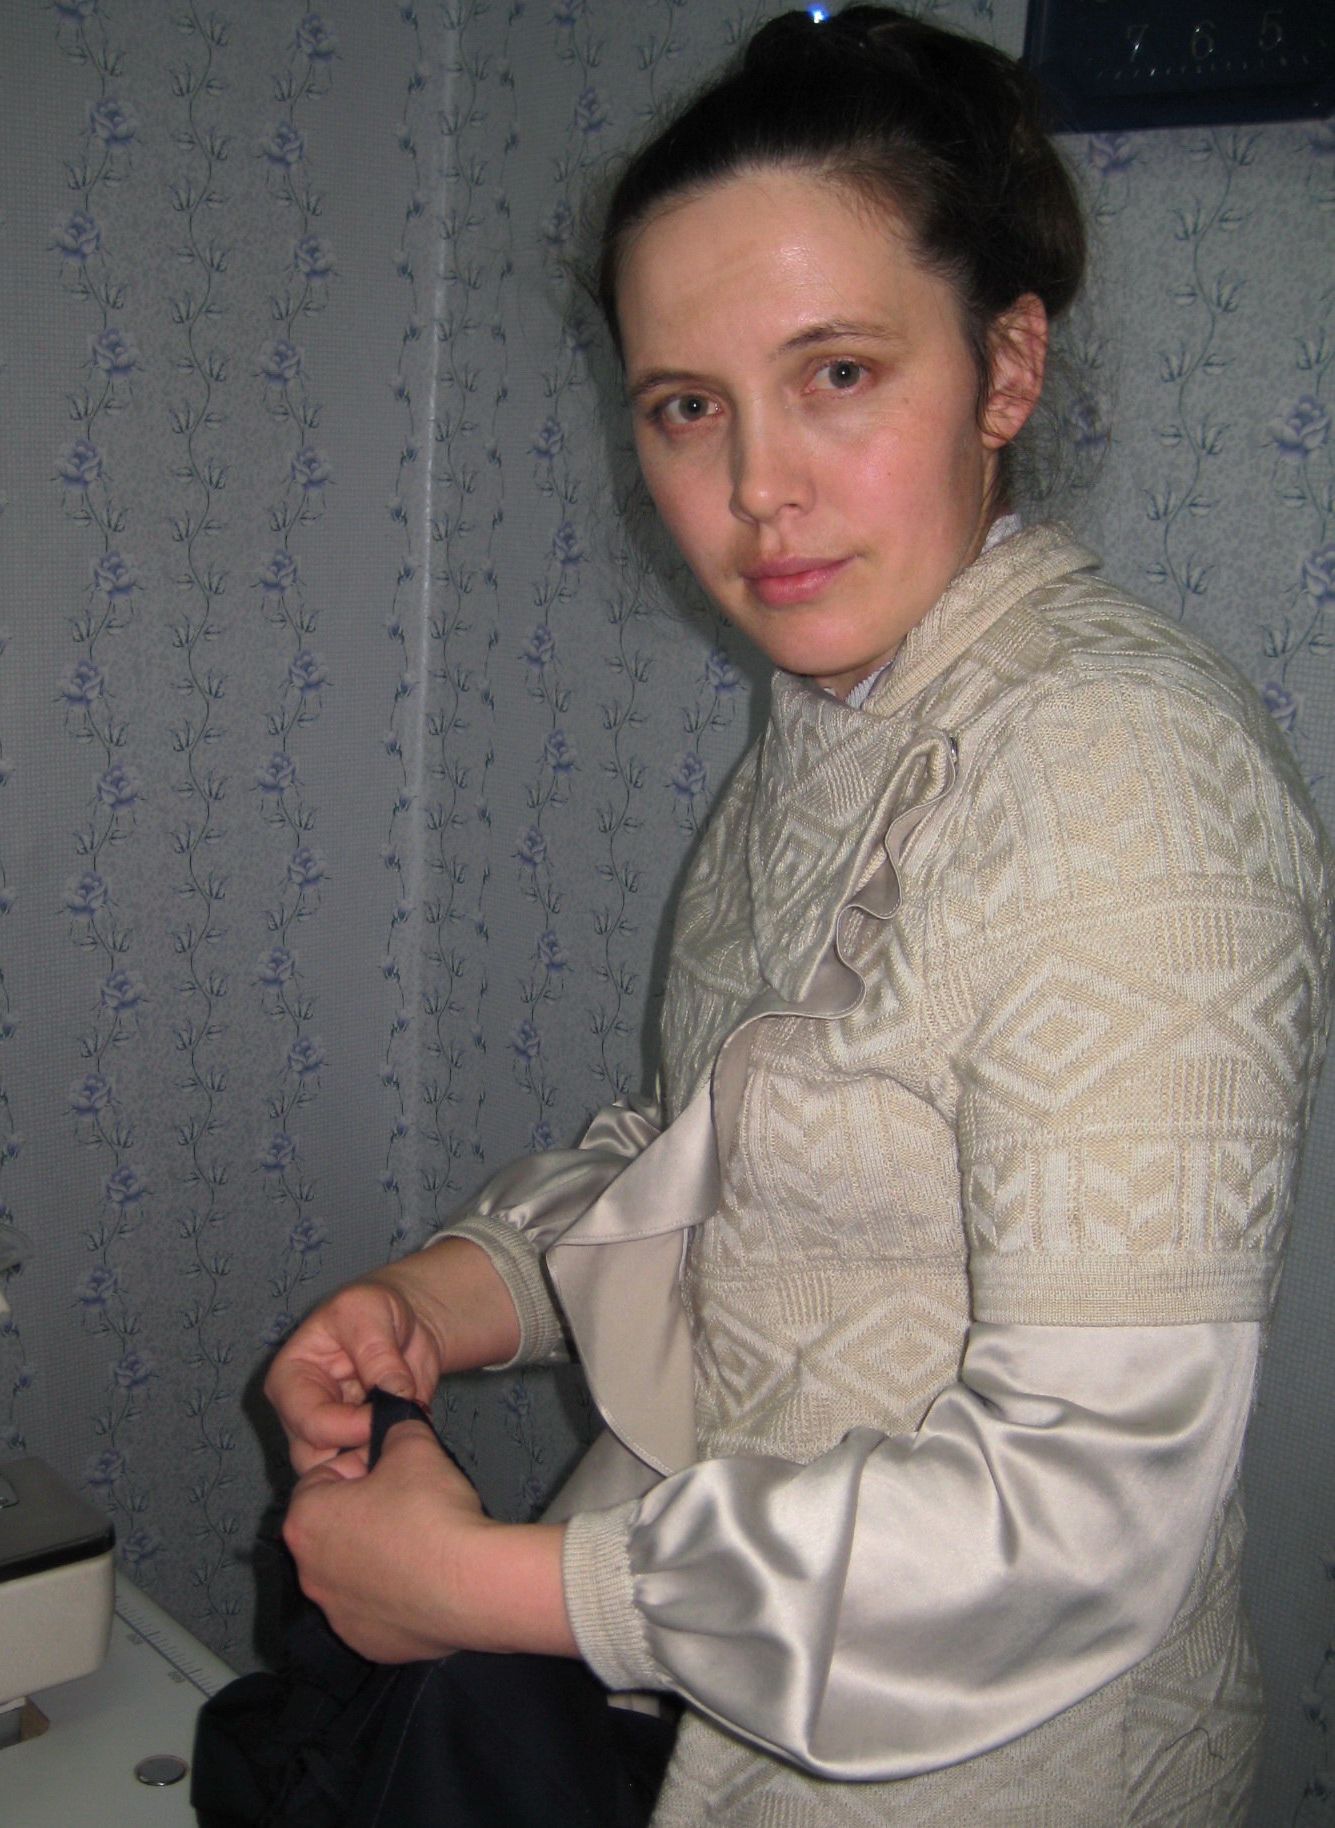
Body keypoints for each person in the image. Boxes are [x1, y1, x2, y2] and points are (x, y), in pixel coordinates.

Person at [265, 8, 1334, 1823]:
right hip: (721, 1718)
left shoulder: (1117, 778)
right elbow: (733, 1151)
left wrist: (491, 1590)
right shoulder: (844, 717)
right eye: (687, 406)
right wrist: (454, 1296)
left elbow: (1080, 1517)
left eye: (834, 371)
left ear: (1005, 368)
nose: (755, 489)